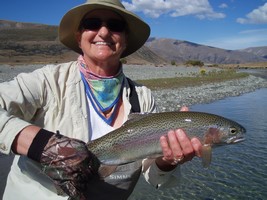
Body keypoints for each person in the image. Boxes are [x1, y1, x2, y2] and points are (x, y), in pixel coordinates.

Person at [0, 0, 202, 199]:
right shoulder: (46, 81)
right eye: (92, 24)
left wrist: (168, 161)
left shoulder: (143, 97)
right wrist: (44, 146)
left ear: (125, 40)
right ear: (79, 37)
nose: (104, 32)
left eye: (115, 26)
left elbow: (153, 173)